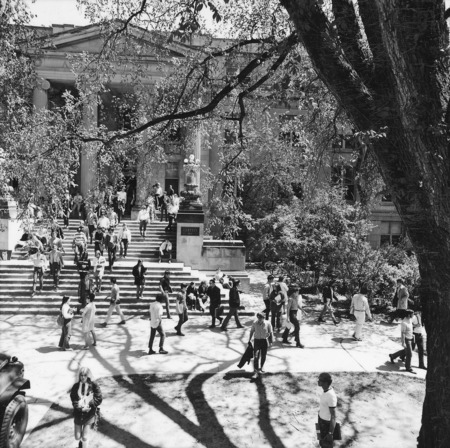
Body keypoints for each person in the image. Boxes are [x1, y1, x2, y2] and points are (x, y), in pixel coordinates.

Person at [70, 367, 102, 448]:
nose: (83, 377)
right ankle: (80, 443)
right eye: (81, 375)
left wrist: (89, 404)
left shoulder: (94, 385)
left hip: (89, 414)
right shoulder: (76, 386)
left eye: (85, 375)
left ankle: (85, 445)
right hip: (78, 413)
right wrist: (79, 407)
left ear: (88, 376)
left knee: (85, 437)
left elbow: (99, 398)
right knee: (77, 437)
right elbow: (73, 399)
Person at [389, 309, 416, 373]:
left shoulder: (410, 320)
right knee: (409, 354)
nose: (413, 315)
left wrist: (413, 336)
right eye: (412, 314)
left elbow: (410, 329)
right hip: (407, 339)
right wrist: (403, 342)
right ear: (409, 315)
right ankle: (408, 368)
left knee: (405, 351)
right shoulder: (404, 323)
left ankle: (392, 356)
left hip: (411, 338)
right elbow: (403, 333)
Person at [317, 372, 338, 448]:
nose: (318, 381)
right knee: (322, 442)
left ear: (325, 383)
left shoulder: (331, 396)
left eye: (320, 380)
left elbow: (333, 416)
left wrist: (330, 433)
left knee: (327, 445)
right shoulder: (325, 390)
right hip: (321, 421)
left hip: (326, 424)